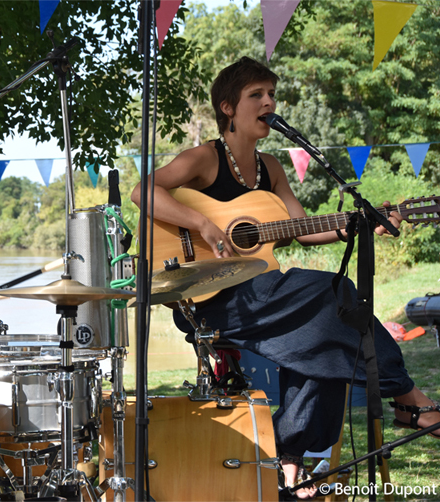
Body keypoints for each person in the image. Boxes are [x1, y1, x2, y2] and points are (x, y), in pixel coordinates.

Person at [131, 57, 439, 499]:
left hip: (264, 293)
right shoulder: (204, 158)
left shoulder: (272, 167)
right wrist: (202, 224)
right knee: (335, 293)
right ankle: (408, 397)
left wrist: (360, 222)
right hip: (209, 297)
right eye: (256, 95)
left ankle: (288, 463)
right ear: (228, 109)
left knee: (327, 342)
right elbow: (144, 191)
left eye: (271, 94)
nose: (269, 102)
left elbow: (306, 230)